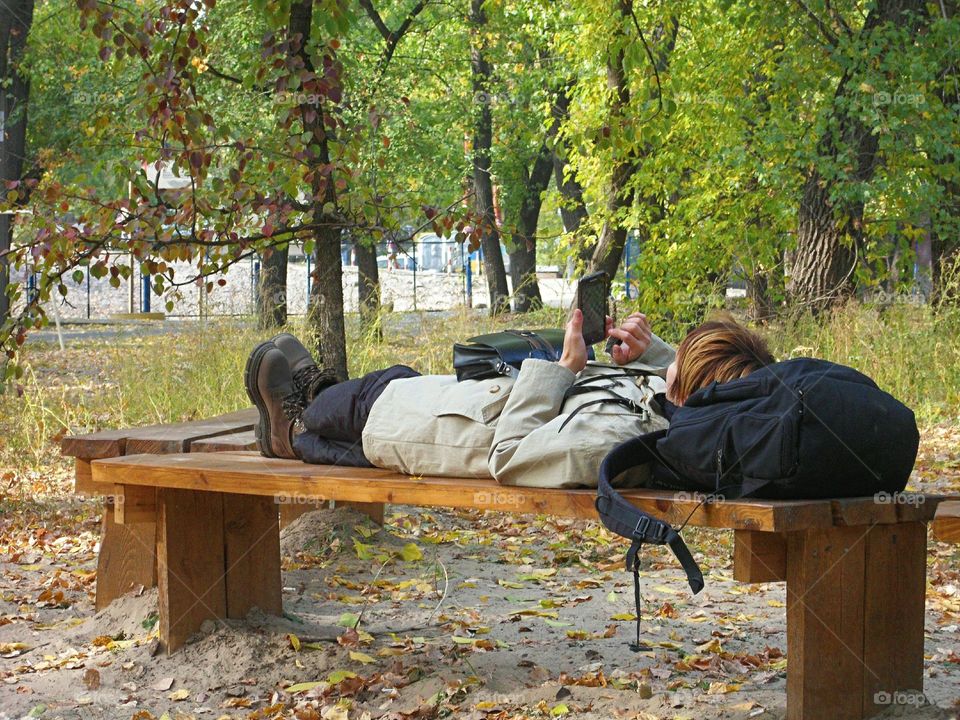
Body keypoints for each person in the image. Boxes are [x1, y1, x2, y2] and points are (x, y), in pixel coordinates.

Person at [244, 312, 774, 489]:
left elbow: (511, 457)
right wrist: (652, 352)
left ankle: (291, 426)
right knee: (381, 386)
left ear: (688, 389)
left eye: (680, 357)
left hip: (432, 428)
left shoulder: (616, 443)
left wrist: (561, 371)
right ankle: (306, 409)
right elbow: (671, 394)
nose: (672, 354)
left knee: (334, 415)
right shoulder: (686, 408)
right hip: (455, 399)